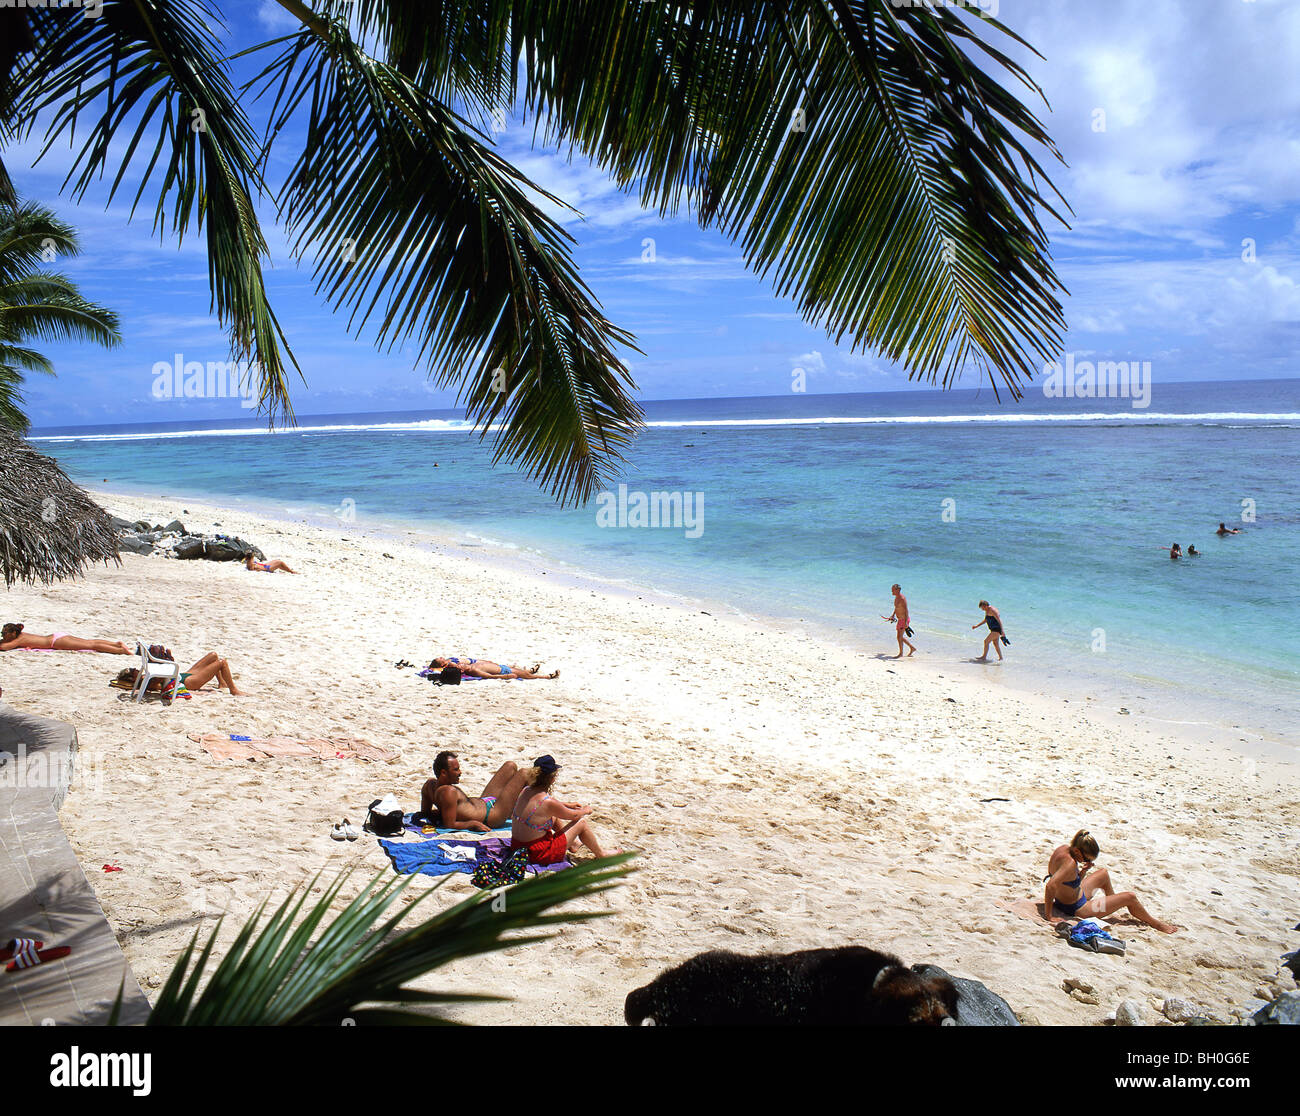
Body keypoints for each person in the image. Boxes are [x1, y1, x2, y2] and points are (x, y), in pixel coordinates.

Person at [1043, 829, 1177, 933]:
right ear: (1077, 851)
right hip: (1078, 909)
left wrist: (1083, 872)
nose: (1087, 862)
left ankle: (1112, 903)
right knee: (1130, 897)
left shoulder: (1064, 849)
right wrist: (1049, 916)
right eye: (1087, 859)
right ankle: (1155, 923)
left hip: (1074, 896)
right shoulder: (1070, 863)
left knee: (1103, 874)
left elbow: (1067, 881)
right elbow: (1050, 886)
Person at [511, 755, 617, 863]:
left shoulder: (526, 791)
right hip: (537, 854)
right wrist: (586, 810)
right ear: (552, 779)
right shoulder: (548, 802)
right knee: (581, 822)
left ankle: (574, 843)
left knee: (553, 816)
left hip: (517, 847)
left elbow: (539, 806)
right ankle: (601, 854)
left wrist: (567, 804)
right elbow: (574, 815)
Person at [418, 751, 530, 831]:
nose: (460, 772)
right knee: (524, 773)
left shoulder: (429, 785)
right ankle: (539, 807)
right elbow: (449, 825)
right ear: (443, 773)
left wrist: (441, 812)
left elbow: (425, 813)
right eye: (456, 770)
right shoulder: (448, 791)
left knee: (510, 766)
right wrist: (471, 823)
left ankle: (519, 808)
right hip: (493, 815)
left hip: (483, 801)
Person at [115, 651, 244, 696]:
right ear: (132, 678)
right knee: (222, 663)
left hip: (184, 675)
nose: (135, 669)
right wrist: (165, 662)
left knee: (213, 655)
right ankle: (233, 690)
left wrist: (166, 658)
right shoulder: (147, 683)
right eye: (132, 671)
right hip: (187, 683)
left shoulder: (144, 677)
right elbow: (159, 681)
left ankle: (222, 683)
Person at [1, 623, 131, 654]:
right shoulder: (21, 635)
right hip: (57, 636)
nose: (2, 636)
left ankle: (121, 651)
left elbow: (3, 647)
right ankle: (116, 644)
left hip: (56, 642)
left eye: (4, 634)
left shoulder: (19, 640)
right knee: (89, 641)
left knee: (91, 646)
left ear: (13, 633)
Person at [427, 656, 558, 680]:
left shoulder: (471, 666)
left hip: (500, 667)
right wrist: (506, 676)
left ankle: (530, 671)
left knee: (524, 672)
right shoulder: (473, 670)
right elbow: (489, 676)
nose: (460, 664)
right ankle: (546, 676)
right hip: (504, 671)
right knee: (527, 676)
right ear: (462, 671)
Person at [880, 584, 916, 658]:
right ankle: (912, 648)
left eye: (893, 590)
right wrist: (893, 615)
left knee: (899, 637)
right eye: (892, 589)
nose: (892, 591)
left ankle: (901, 653)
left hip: (904, 620)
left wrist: (906, 622)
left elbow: (906, 611)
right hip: (900, 620)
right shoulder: (896, 598)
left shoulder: (902, 599)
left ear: (898, 590)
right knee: (900, 637)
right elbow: (897, 608)